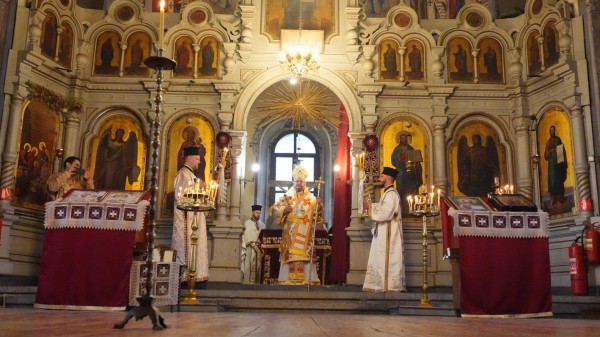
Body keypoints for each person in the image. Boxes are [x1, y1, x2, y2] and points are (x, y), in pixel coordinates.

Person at [271, 164, 324, 285]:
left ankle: (307, 280)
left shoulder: (311, 199)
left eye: (301, 181)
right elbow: (276, 208)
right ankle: (287, 280)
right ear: (293, 182)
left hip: (305, 235)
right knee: (290, 256)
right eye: (296, 181)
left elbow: (318, 217)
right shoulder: (287, 196)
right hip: (290, 235)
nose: (299, 183)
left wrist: (319, 206)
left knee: (304, 257)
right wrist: (284, 210)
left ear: (305, 182)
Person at [363, 166, 406, 292]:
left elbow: (385, 213)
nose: (380, 178)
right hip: (383, 231)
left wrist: (371, 206)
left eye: (382, 176)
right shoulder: (387, 194)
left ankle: (387, 286)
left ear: (388, 177)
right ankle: (380, 284)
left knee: (386, 259)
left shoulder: (391, 194)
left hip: (389, 233)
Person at [173, 146, 209, 284]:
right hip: (186, 222)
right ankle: (187, 277)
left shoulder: (191, 175)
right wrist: (201, 188)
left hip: (194, 220)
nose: (199, 162)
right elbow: (181, 196)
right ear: (191, 158)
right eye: (198, 159)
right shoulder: (184, 174)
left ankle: (195, 276)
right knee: (188, 247)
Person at [391, 131, 423, 215]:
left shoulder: (410, 148)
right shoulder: (396, 149)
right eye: (402, 138)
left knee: (411, 189)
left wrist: (415, 161)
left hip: (410, 173)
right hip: (401, 172)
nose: (403, 139)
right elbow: (393, 160)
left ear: (407, 139)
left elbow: (415, 159)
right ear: (400, 139)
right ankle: (401, 207)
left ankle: (411, 207)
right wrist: (399, 159)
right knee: (401, 189)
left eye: (405, 138)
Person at [241, 204, 266, 284]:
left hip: (260, 249)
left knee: (259, 267)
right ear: (252, 212)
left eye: (259, 213)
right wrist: (253, 245)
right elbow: (246, 236)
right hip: (250, 249)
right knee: (249, 266)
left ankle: (258, 284)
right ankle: (248, 285)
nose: (258, 215)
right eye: (256, 213)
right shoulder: (247, 223)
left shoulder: (262, 225)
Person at [544, 125, 567, 206]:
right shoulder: (548, 142)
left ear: (554, 131)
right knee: (552, 181)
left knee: (559, 180)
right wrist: (550, 151)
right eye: (551, 130)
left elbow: (561, 150)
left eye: (553, 130)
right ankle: (553, 199)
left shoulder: (558, 139)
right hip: (551, 164)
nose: (552, 131)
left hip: (558, 163)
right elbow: (545, 156)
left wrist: (561, 162)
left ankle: (560, 198)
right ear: (549, 132)